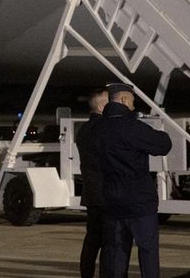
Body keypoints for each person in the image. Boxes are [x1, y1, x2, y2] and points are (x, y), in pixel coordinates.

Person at [94, 82, 172, 278]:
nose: (134, 106)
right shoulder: (132, 127)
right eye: (132, 101)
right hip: (139, 201)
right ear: (123, 99)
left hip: (112, 200)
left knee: (117, 253)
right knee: (147, 252)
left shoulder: (97, 130)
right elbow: (163, 145)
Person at [76, 89, 109, 278]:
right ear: (101, 106)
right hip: (105, 192)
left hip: (92, 192)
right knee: (108, 240)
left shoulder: (84, 130)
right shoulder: (104, 129)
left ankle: (86, 274)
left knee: (92, 239)